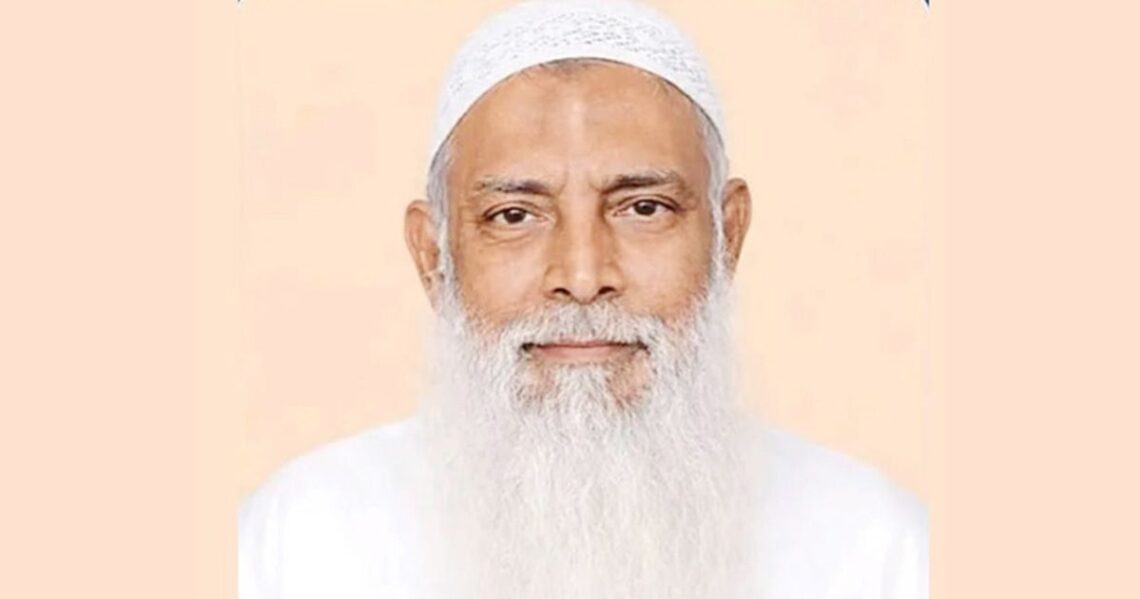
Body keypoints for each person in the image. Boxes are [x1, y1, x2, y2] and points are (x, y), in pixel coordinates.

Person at [238, 1, 928, 597]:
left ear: (728, 235)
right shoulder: (302, 537)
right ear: (433, 256)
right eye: (514, 215)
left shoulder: (872, 546)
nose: (583, 273)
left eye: (644, 207)